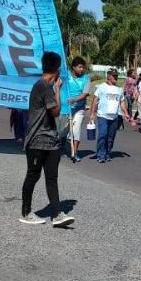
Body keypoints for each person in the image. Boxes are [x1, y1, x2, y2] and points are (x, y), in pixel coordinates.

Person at [18, 51, 74, 227]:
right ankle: (26, 212)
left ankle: (57, 214)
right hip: (37, 140)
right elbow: (56, 111)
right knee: (33, 176)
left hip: (51, 141)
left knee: (52, 178)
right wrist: (58, 89)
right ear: (57, 69)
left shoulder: (44, 86)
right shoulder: (44, 86)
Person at [89, 68, 131, 162]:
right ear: (108, 76)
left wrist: (126, 113)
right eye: (114, 76)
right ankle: (100, 155)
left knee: (111, 137)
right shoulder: (101, 87)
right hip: (103, 116)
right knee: (103, 135)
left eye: (116, 75)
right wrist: (92, 113)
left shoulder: (119, 89)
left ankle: (107, 153)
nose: (115, 77)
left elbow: (122, 102)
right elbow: (95, 100)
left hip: (115, 117)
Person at [66, 56, 91, 161]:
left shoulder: (86, 78)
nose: (82, 69)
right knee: (64, 131)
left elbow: (85, 93)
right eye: (80, 67)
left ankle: (75, 153)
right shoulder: (66, 75)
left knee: (76, 130)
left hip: (79, 108)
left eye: (83, 67)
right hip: (66, 108)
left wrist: (75, 100)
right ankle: (66, 141)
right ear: (73, 67)